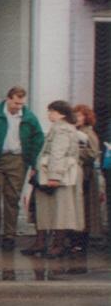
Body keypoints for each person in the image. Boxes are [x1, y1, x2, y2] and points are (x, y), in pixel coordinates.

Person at [0, 85, 43, 249]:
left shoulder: (29, 116)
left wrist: (31, 161)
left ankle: (9, 235)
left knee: (12, 197)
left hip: (17, 159)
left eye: (21, 103)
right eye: (16, 103)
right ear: (8, 98)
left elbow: (38, 138)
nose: (19, 107)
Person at [32, 100, 86, 259]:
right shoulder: (63, 128)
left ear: (61, 113)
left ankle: (58, 245)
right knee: (57, 211)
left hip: (59, 177)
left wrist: (54, 177)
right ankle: (54, 244)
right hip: (62, 175)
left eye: (52, 111)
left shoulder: (62, 129)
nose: (49, 114)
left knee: (60, 211)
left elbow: (58, 153)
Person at [70, 104, 104, 253]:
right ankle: (73, 241)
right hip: (75, 174)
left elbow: (92, 153)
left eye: (79, 116)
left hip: (86, 175)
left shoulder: (88, 133)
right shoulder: (74, 132)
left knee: (84, 209)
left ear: (86, 118)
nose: (76, 118)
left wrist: (75, 152)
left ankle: (80, 242)